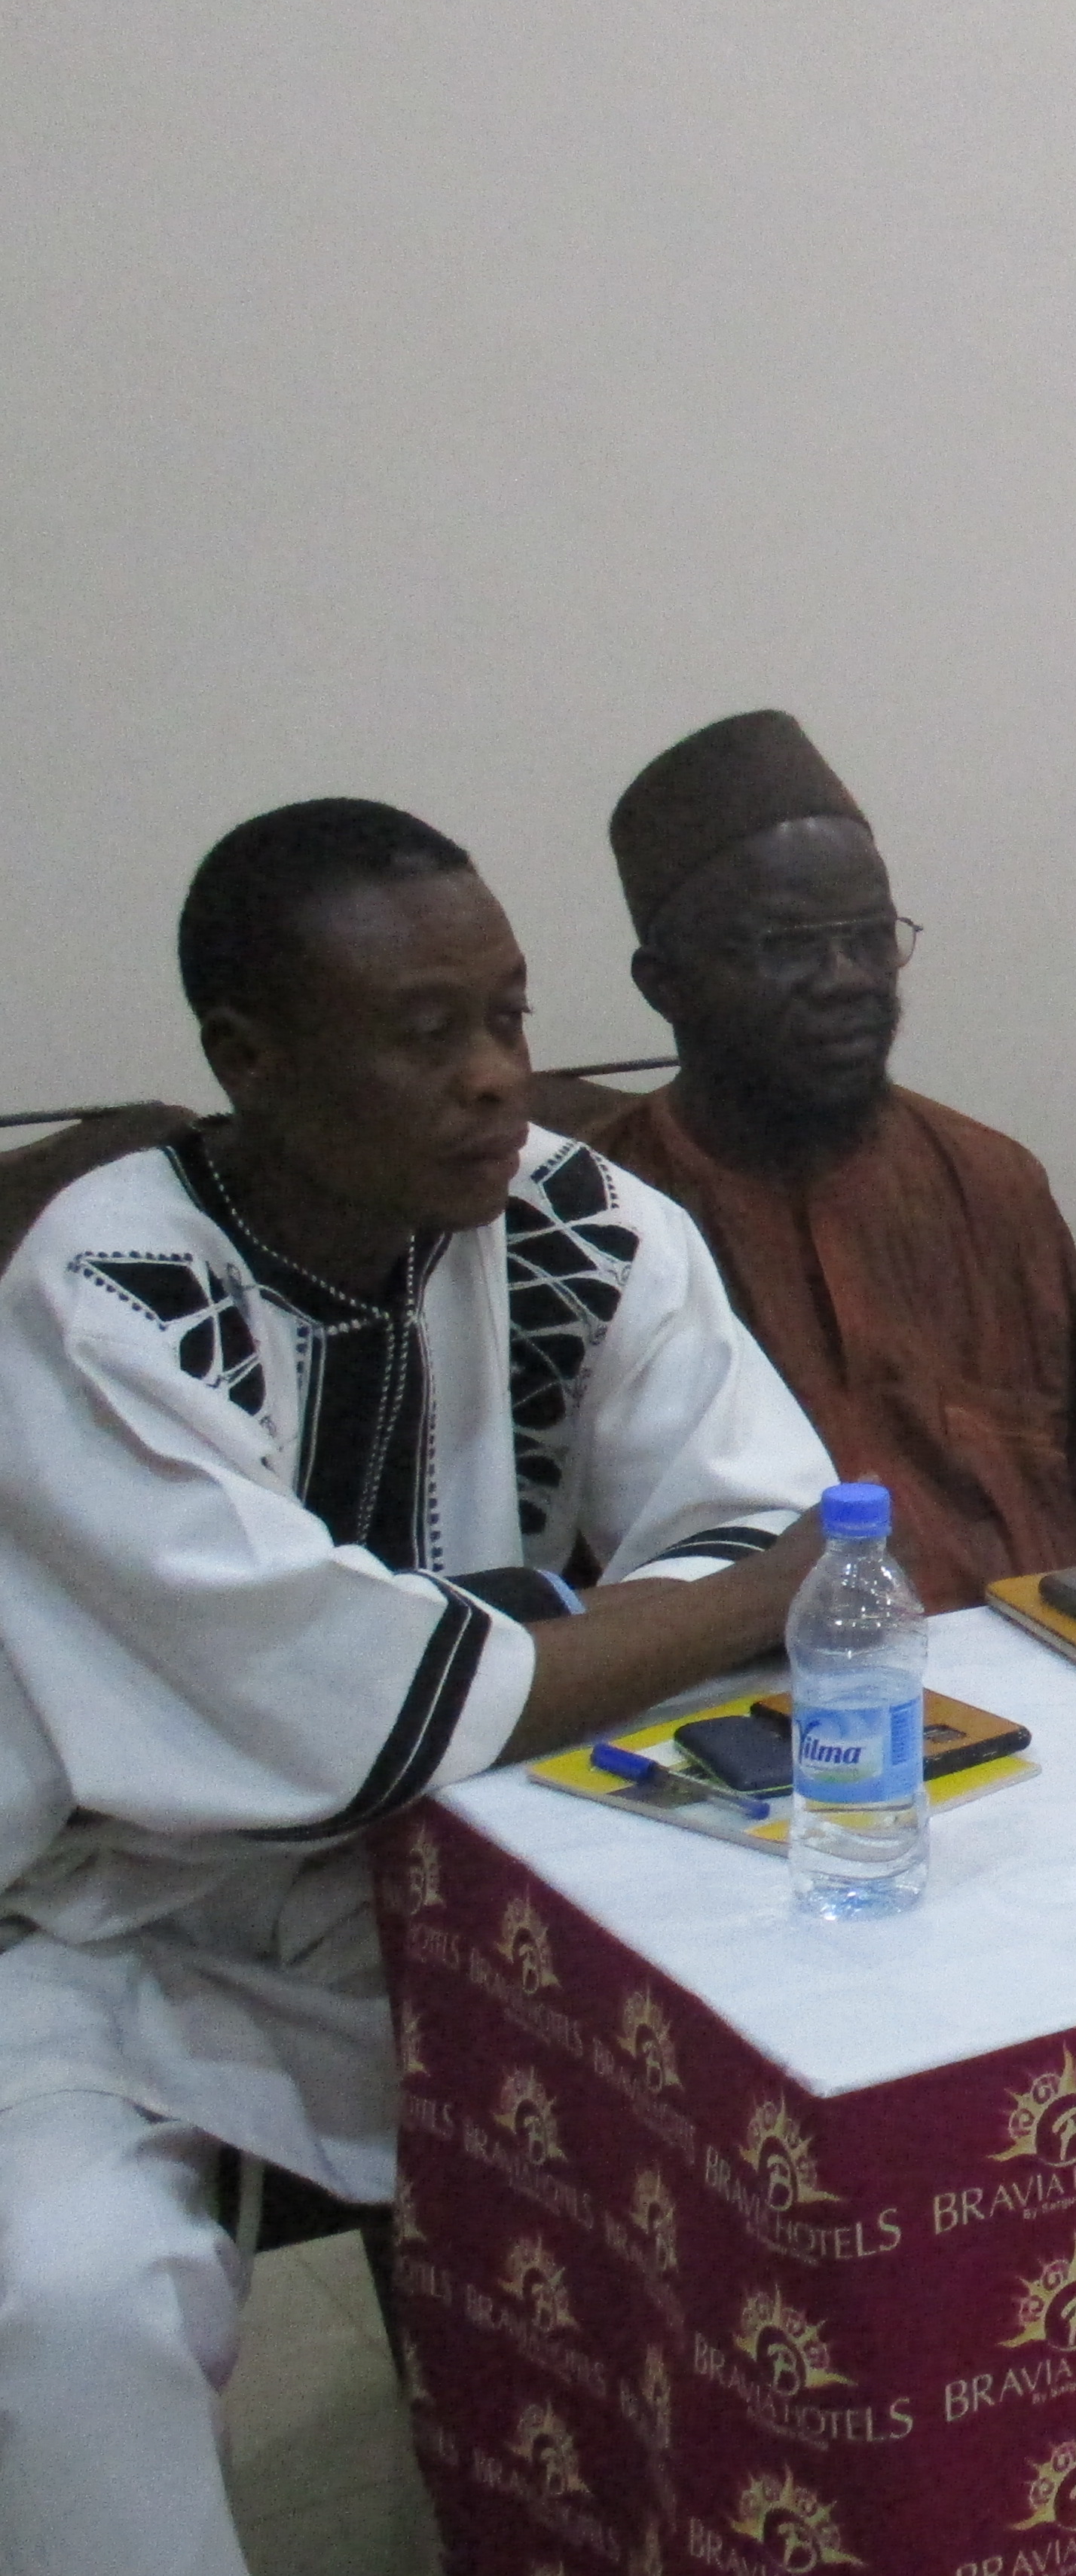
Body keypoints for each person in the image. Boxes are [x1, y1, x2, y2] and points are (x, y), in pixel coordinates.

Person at [0, 801, 833, 2576]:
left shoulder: (578, 1217)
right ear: (251, 1061)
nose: (494, 1078)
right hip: (120, 1928)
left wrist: (583, 1630)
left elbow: (775, 1533)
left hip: (499, 1889)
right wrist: (674, 1608)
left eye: (509, 1015)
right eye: (425, 1033)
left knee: (789, 2147)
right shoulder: (113, 1289)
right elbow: (344, 1709)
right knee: (72, 2305)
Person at [591, 711, 1076, 1606]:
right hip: (761, 1684)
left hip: (1049, 1661)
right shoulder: (594, 1228)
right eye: (790, 946)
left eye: (869, 937)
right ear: (663, 983)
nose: (849, 977)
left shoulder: (992, 1184)